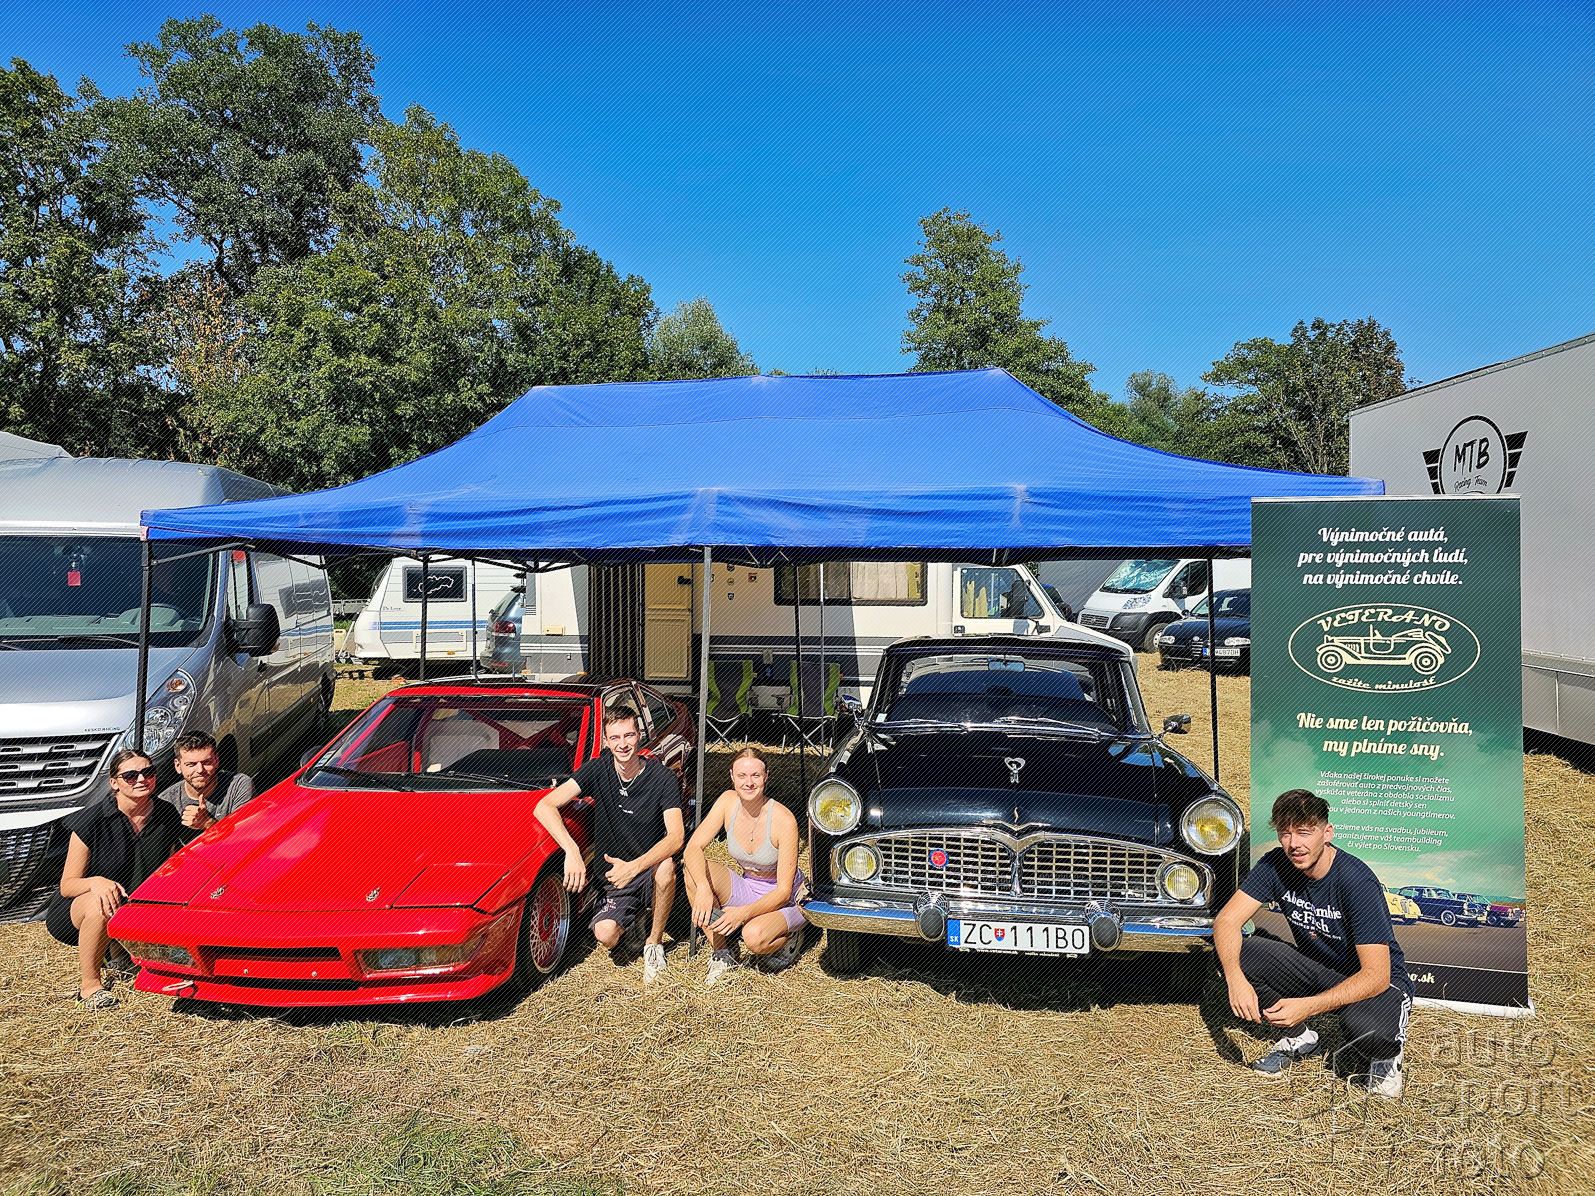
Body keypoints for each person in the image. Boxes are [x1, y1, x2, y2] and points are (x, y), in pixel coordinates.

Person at [1214, 789, 1414, 1098]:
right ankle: (1299, 1038)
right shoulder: (1275, 864)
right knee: (1236, 953)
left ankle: (1387, 1060)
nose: (1294, 843)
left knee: (1368, 1031)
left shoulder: (1356, 880)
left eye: (1304, 832)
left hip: (1375, 981)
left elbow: (1376, 975)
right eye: (1285, 833)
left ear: (1327, 833)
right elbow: (1227, 921)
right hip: (1319, 969)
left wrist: (1307, 1006)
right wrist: (1235, 978)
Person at [534, 705, 684, 985]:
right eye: (615, 737)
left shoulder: (662, 778)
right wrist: (571, 850)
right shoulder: (597, 769)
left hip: (648, 868)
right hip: (614, 877)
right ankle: (635, 919)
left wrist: (635, 867)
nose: (622, 744)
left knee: (666, 869)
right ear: (605, 741)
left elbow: (676, 837)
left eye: (628, 735)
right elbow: (545, 806)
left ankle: (653, 943)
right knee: (605, 934)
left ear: (639, 736)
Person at [46, 748, 187, 1008]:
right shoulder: (91, 820)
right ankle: (90, 986)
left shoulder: (167, 814)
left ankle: (118, 953)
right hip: (78, 910)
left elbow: (169, 869)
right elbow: (67, 885)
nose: (141, 779)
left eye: (148, 772)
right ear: (114, 783)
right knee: (100, 902)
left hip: (134, 908)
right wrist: (96, 882)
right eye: (130, 775)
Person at [683, 747, 806, 987]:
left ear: (766, 776)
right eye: (742, 776)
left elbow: (783, 891)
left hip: (785, 897)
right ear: (732, 776)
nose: (748, 783)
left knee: (753, 937)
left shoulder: (784, 819)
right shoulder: (727, 802)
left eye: (755, 776)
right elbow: (693, 848)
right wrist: (704, 889)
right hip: (750, 884)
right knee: (693, 874)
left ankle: (791, 934)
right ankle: (722, 954)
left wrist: (741, 914)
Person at [156, 731, 255, 840]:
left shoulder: (238, 785)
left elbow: (245, 838)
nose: (200, 770)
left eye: (206, 762)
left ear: (216, 760)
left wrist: (207, 823)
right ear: (178, 766)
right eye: (191, 764)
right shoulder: (166, 802)